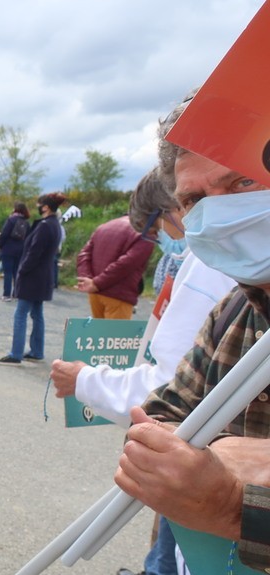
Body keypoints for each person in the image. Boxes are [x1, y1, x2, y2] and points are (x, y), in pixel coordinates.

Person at [112, 91, 270, 573]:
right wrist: (182, 462)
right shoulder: (236, 311)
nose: (219, 215)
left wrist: (232, 503)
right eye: (195, 200)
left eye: (243, 181)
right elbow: (159, 416)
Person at [50, 169, 235, 575]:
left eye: (155, 231)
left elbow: (170, 386)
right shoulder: (207, 256)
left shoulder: (207, 260)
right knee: (168, 534)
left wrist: (83, 380)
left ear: (174, 210)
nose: (158, 242)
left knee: (181, 534)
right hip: (208, 446)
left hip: (212, 452)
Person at [0, 192, 67, 366]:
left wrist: (22, 270)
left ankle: (16, 353)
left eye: (39, 203)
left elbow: (34, 252)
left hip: (33, 275)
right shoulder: (55, 224)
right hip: (44, 276)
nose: (37, 206)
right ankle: (36, 350)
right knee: (37, 314)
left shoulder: (44, 226)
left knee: (20, 314)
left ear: (46, 207)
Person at [75, 208, 155, 320]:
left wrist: (87, 280)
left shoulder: (104, 226)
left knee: (97, 335)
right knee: (115, 336)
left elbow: (84, 254)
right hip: (119, 294)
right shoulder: (145, 233)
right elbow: (127, 263)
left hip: (95, 293)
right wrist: (97, 283)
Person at [0, 202, 30, 301]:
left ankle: (6, 295)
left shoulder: (11, 220)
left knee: (8, 272)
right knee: (17, 272)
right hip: (20, 250)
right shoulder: (27, 223)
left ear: (15, 209)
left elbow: (4, 234)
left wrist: (0, 245)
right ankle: (16, 293)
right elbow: (28, 238)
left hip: (8, 249)